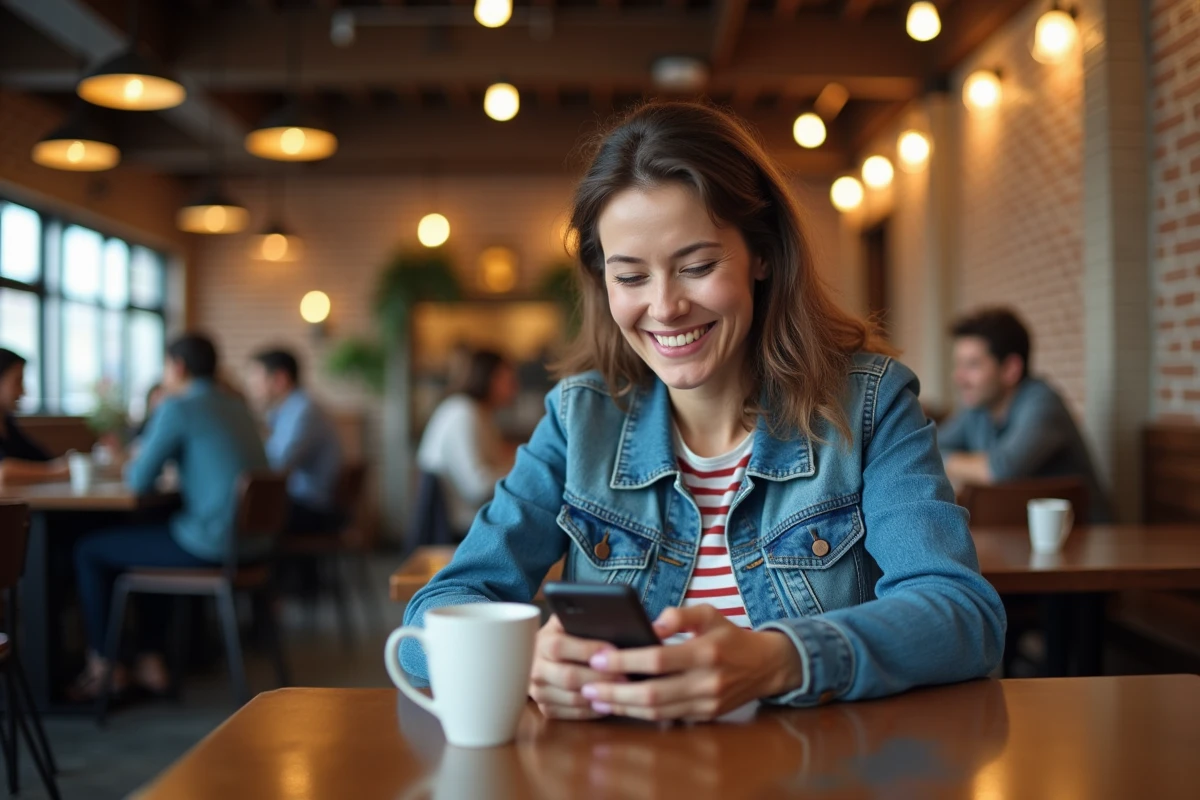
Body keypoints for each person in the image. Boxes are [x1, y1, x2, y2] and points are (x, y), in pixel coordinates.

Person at [402, 101, 1006, 721]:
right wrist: (521, 657)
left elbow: (962, 614)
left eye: (697, 267)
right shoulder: (578, 420)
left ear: (762, 255)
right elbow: (437, 611)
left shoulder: (869, 405)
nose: (664, 308)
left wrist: (780, 658)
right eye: (630, 277)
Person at [71, 334, 269, 699]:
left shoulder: (178, 406)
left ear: (177, 366)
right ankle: (151, 660)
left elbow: (139, 479)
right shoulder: (238, 407)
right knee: (152, 535)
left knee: (89, 551)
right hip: (254, 544)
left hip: (213, 544)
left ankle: (104, 667)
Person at [938, 308, 1111, 523]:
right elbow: (928, 445)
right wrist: (962, 463)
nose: (959, 377)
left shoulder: (1042, 403)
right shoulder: (977, 408)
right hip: (1014, 538)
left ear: (1011, 369)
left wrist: (946, 460)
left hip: (1088, 541)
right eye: (959, 365)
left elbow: (1001, 470)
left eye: (972, 365)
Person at [416, 349, 519, 535]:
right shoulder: (463, 413)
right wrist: (523, 470)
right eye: (508, 380)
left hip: (471, 519)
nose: (515, 388)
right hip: (461, 527)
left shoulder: (479, 413)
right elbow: (477, 487)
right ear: (489, 378)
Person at [246, 348, 344, 534]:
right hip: (301, 502)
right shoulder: (288, 410)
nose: (251, 385)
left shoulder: (302, 410)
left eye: (256, 378)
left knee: (237, 517)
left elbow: (277, 464)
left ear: (280, 379)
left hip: (312, 507)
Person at [0, 348, 70, 484]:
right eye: (18, 381)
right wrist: (58, 472)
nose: (23, 391)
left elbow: (43, 460)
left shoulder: (8, 425)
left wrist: (67, 463)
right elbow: (3, 472)